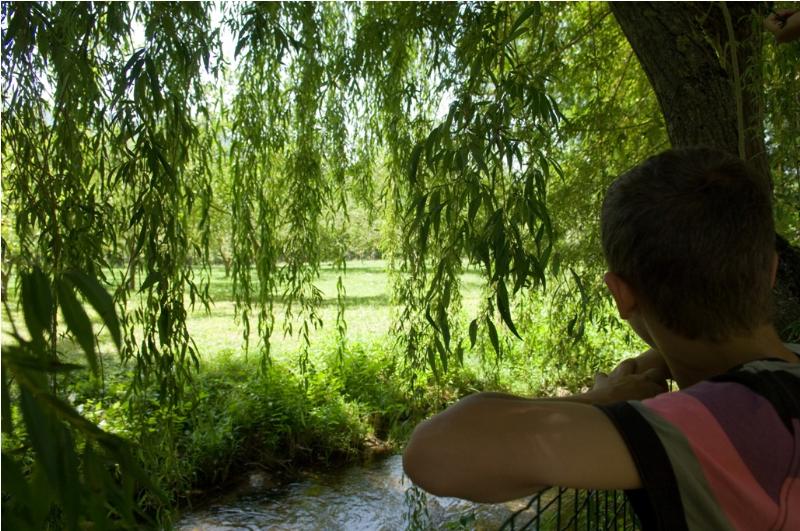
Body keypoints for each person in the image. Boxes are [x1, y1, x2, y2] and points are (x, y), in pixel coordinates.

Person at [402, 148, 800, 529]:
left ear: (621, 295)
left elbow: (434, 451)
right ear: (770, 271)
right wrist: (663, 357)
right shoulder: (781, 383)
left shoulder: (712, 425)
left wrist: (606, 400)